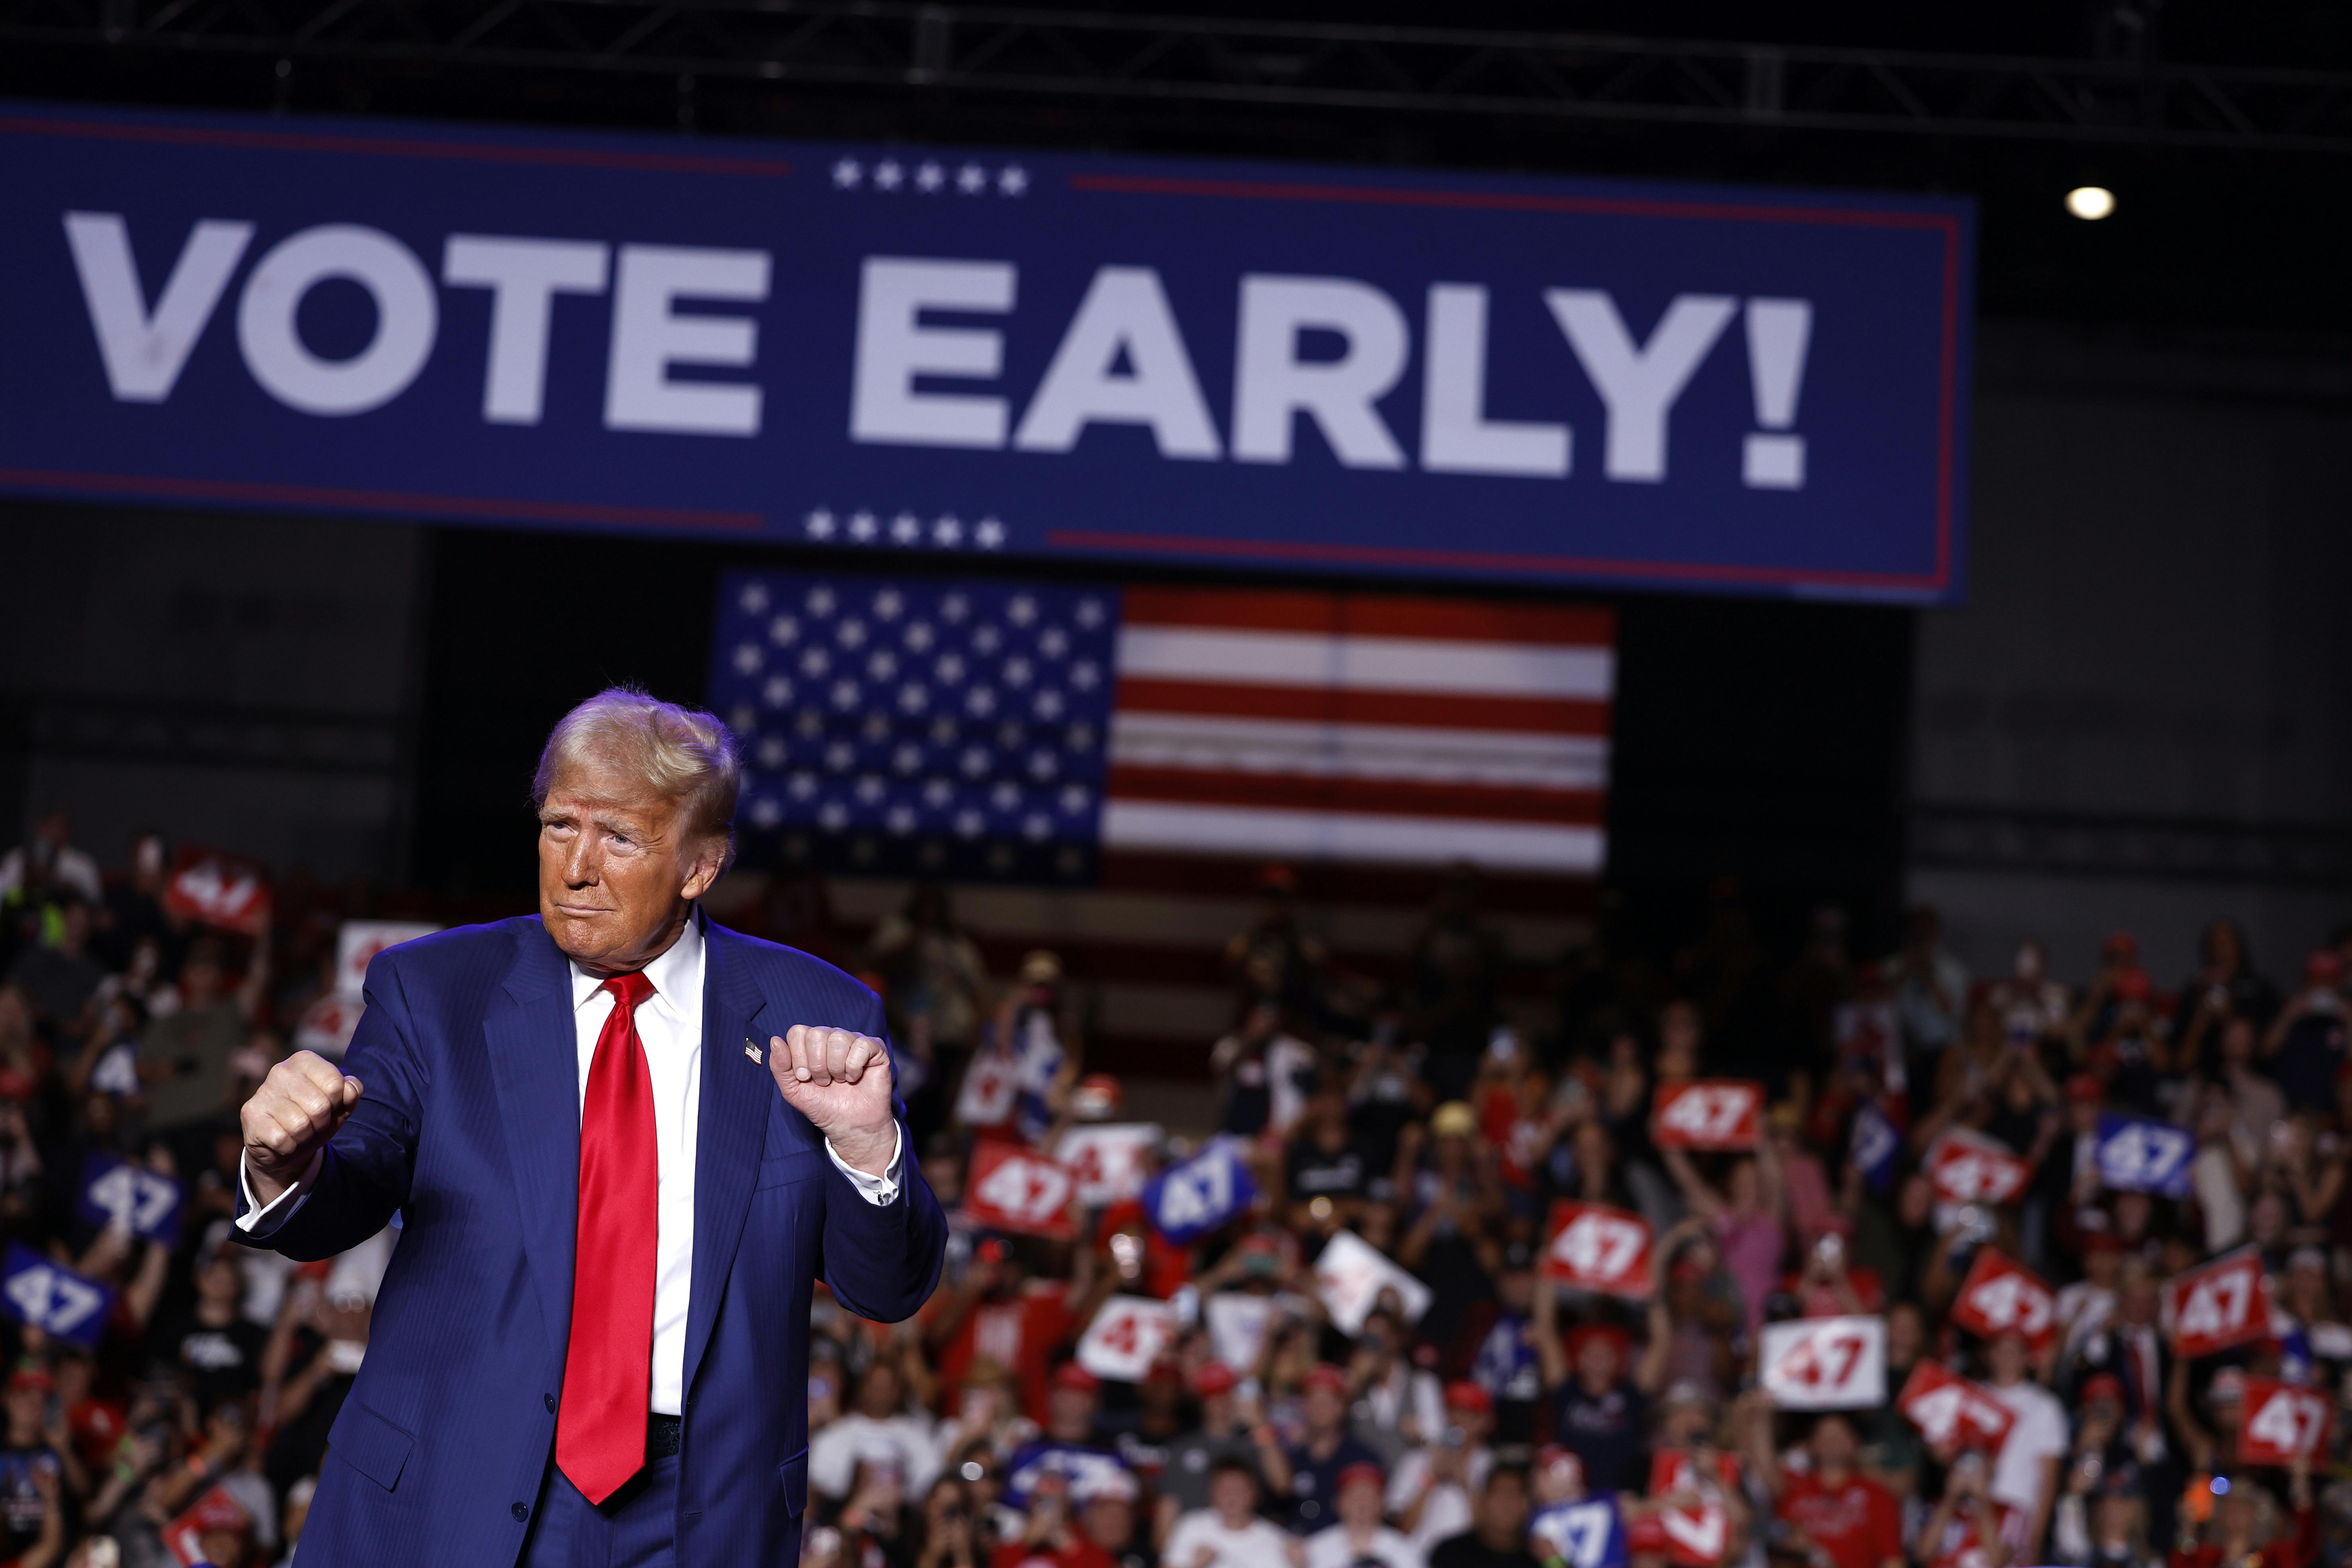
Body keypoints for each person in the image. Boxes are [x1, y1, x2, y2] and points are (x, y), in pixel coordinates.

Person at [229, 687, 948, 1567]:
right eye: (560, 825)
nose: (576, 866)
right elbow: (346, 1189)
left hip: (699, 1518)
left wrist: (867, 1150)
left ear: (699, 866)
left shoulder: (818, 1014)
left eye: (620, 838)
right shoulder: (434, 991)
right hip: (442, 1491)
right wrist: (283, 1162)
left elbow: (887, 1288)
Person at [1162, 1457, 1293, 1568]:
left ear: (1255, 1493)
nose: (1232, 1496)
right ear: (1212, 1492)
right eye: (1225, 1489)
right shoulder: (1192, 1525)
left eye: (1239, 1489)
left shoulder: (1276, 1539)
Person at [1307, 1463, 1423, 1568]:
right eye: (1355, 1497)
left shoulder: (1404, 1550)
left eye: (1369, 1497)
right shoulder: (1312, 1550)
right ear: (1338, 1503)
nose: (1362, 1504)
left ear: (1382, 1504)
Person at [1428, 1466, 1538, 1568]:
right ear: (1484, 1501)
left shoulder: (1540, 1558)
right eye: (1499, 1495)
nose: (1507, 1503)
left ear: (1527, 1505)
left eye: (1515, 1495)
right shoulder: (1450, 1553)